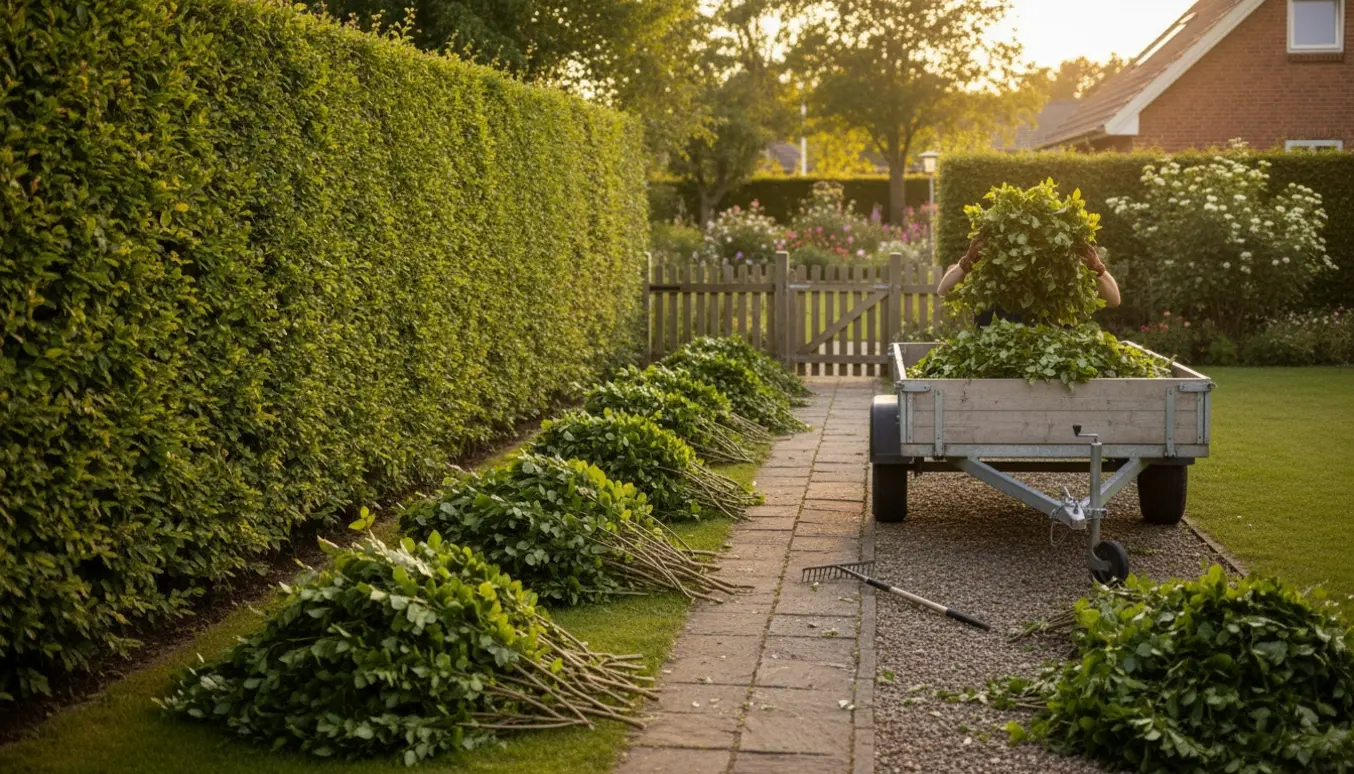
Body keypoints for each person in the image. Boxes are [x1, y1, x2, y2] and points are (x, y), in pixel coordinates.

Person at [936, 238, 1120, 326]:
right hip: (991, 358)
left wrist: (1097, 268)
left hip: (1052, 362)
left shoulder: (1058, 277)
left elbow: (1114, 300)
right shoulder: (987, 274)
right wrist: (967, 262)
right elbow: (943, 290)